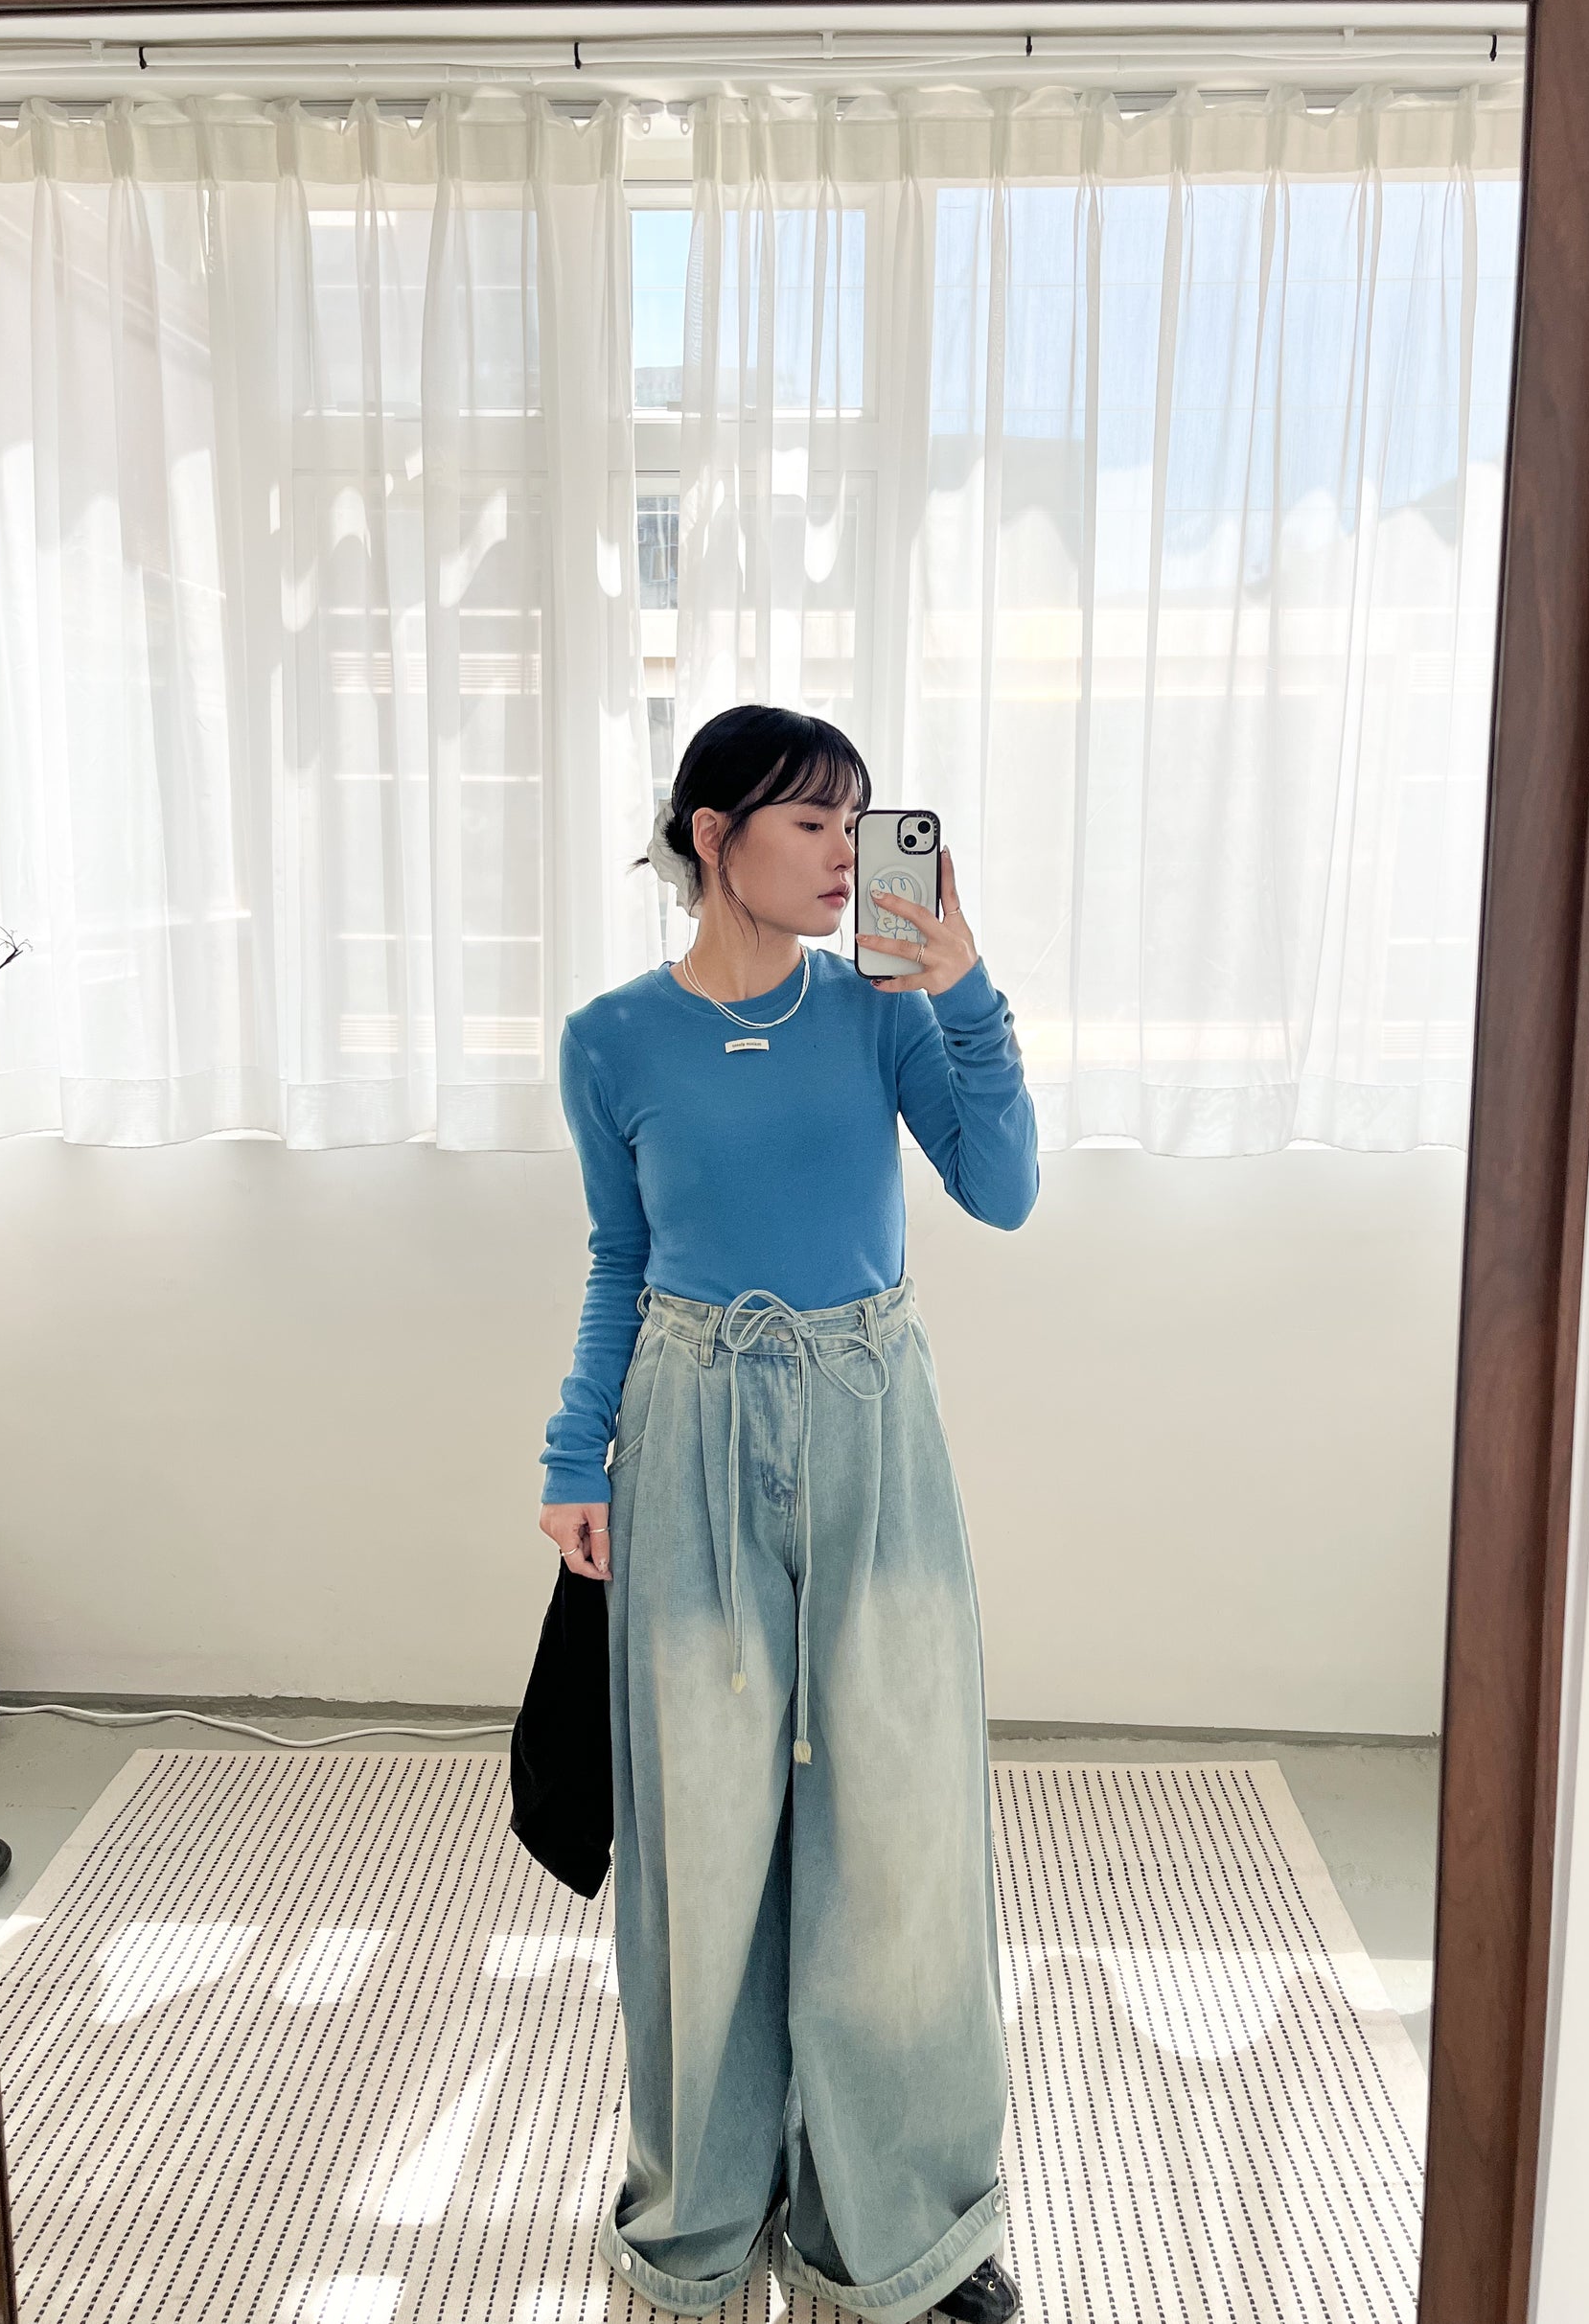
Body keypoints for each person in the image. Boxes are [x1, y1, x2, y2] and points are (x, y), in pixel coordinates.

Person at [538, 704, 1039, 2323]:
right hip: (684, 1422)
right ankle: (705, 2194)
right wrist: (572, 1454)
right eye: (812, 822)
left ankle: (894, 2220)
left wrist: (963, 991)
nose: (845, 854)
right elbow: (621, 1259)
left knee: (895, 1828)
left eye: (858, 823)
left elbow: (1003, 1189)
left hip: (868, 1416)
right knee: (700, 1832)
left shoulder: (884, 1009)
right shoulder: (610, 1040)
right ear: (712, 835)